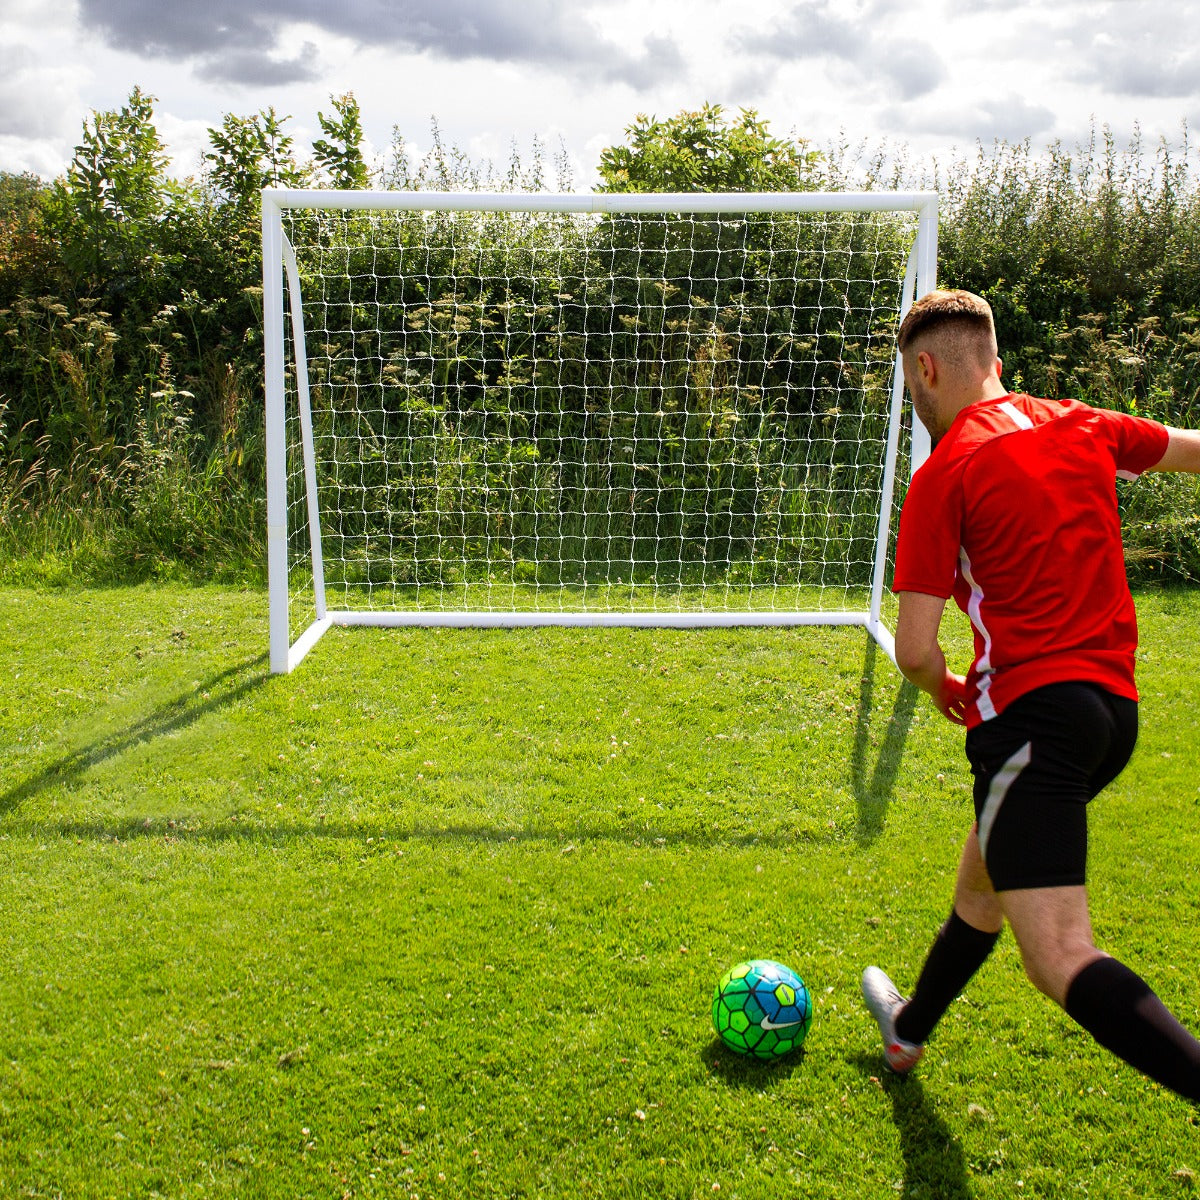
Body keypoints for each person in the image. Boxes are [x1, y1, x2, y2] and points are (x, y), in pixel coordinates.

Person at [860, 288, 1200, 1100]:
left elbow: (911, 651)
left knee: (1059, 956)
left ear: (928, 369)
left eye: (914, 392)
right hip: (1113, 716)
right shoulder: (1081, 421)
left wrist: (944, 685)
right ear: (1000, 364)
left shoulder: (947, 473)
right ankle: (908, 1033)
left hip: (1034, 721)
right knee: (983, 880)